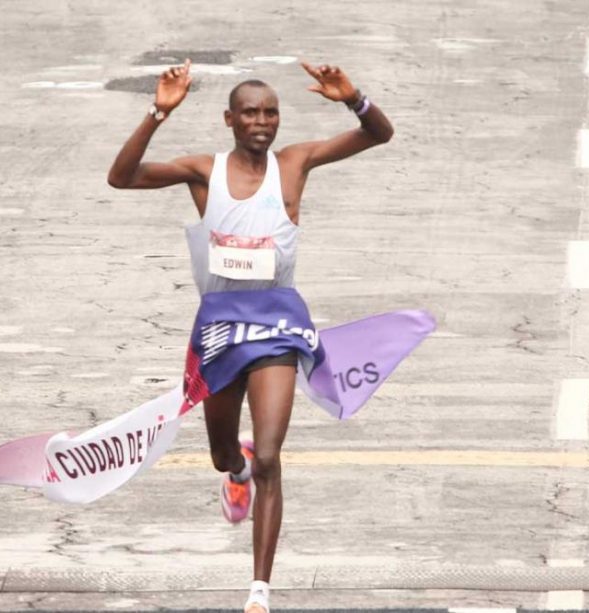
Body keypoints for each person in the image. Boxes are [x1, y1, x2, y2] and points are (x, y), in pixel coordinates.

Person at [107, 59, 394, 613]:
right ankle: (232, 471)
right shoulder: (202, 172)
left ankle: (259, 590)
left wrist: (352, 97)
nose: (263, 122)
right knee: (224, 453)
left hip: (279, 322)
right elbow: (121, 176)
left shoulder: (295, 163)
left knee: (270, 455)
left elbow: (378, 134)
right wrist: (156, 112)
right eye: (250, 113)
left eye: (271, 113)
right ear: (230, 121)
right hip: (219, 325)